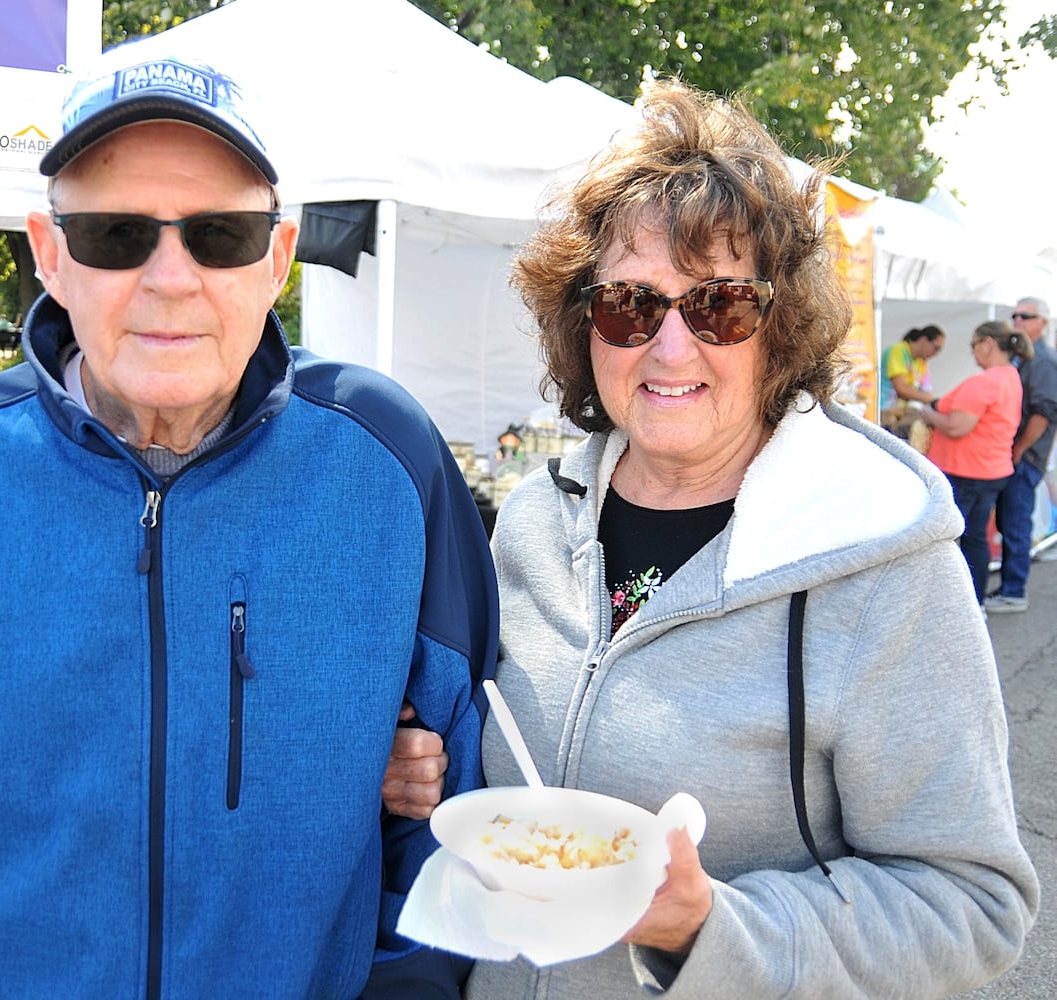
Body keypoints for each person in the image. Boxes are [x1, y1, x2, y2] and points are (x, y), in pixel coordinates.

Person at [0, 50, 497, 999]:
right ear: (50, 254)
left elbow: (462, 797)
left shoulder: (386, 460)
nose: (171, 277)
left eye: (221, 234)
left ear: (278, 258)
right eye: (117, 233)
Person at [392, 80, 1039, 998]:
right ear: (586, 323)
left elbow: (971, 906)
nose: (669, 347)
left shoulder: (879, 564)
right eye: (630, 304)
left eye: (720, 307)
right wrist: (435, 772)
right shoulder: (537, 519)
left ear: (779, 333)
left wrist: (712, 930)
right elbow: (527, 766)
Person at [918, 321, 1026, 604]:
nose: (973, 352)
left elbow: (956, 427)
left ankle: (951, 605)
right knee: (976, 538)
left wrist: (929, 416)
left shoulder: (985, 381)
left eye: (973, 345)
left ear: (987, 344)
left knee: (944, 540)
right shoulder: (1010, 375)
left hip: (965, 470)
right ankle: (974, 603)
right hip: (991, 469)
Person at [985, 296, 1057, 612]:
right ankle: (1010, 588)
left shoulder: (1042, 360)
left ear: (1043, 322)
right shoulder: (1024, 357)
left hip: (1023, 457)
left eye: (1025, 316)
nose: (1017, 321)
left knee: (1015, 522)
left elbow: (1043, 412)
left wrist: (1019, 450)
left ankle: (1014, 591)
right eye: (1014, 315)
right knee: (1008, 521)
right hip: (1013, 454)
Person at [878, 323, 944, 435]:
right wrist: (929, 400)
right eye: (936, 348)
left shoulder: (922, 362)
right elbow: (902, 390)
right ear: (923, 340)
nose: (936, 354)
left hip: (900, 413)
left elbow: (927, 392)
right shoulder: (898, 350)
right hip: (883, 411)